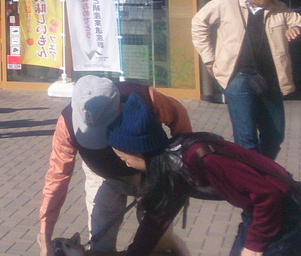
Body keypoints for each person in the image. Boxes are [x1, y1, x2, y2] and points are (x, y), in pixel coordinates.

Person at [99, 94, 301, 256]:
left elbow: (268, 195)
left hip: (285, 213)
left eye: (123, 157)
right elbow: (157, 219)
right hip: (259, 213)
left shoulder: (202, 159)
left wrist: (254, 246)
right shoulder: (171, 167)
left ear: (139, 151)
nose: (124, 163)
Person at [37, 76, 192, 256]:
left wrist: (178, 168)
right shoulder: (67, 123)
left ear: (120, 107)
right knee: (100, 242)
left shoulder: (145, 98)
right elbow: (57, 176)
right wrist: (45, 233)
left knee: (156, 240)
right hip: (102, 175)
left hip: (149, 171)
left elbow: (179, 117)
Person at [191, 0, 301, 159]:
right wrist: (209, 59)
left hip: (270, 78)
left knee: (274, 135)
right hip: (237, 77)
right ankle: (253, 176)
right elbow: (198, 23)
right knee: (246, 139)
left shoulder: (278, 8)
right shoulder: (224, 3)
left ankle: (261, 169)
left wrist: (299, 30)